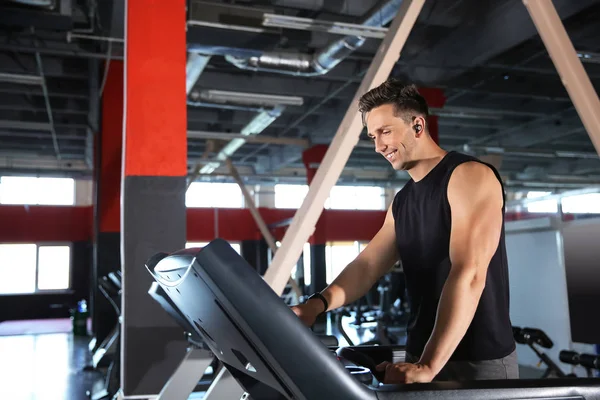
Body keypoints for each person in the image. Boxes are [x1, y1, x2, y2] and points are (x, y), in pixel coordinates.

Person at [291, 78, 518, 384]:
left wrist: (428, 365)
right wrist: (316, 305)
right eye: (372, 136)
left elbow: (470, 272)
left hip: (475, 360)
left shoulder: (468, 176)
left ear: (417, 126)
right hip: (420, 357)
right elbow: (367, 265)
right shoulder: (403, 201)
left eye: (385, 132)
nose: (378, 146)